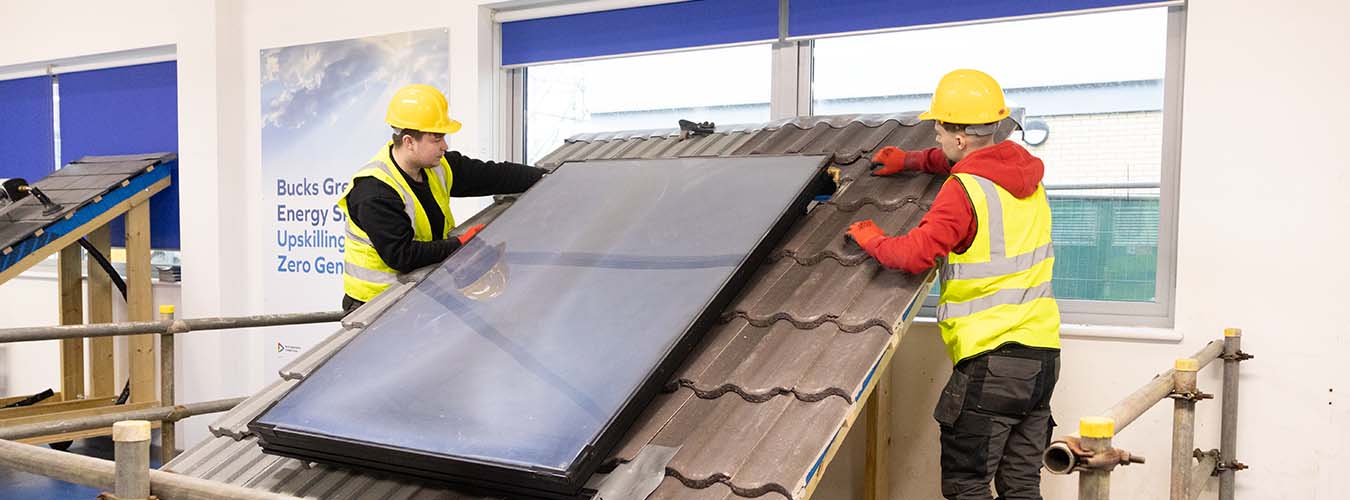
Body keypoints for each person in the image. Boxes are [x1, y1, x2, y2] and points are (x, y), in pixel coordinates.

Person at [846, 69, 1061, 500]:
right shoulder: (1026, 178)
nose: (936, 134)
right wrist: (908, 161)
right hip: (1042, 360)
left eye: (941, 126)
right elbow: (956, 160)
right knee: (1021, 488)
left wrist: (871, 238)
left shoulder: (964, 191)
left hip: (992, 362)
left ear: (962, 136)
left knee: (967, 486)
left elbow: (913, 255)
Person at [338, 84, 544, 312]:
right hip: (374, 309)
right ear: (409, 142)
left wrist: (545, 177)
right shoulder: (375, 190)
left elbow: (492, 175)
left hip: (416, 296)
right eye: (436, 139)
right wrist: (460, 244)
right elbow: (402, 256)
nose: (444, 146)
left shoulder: (438, 166)